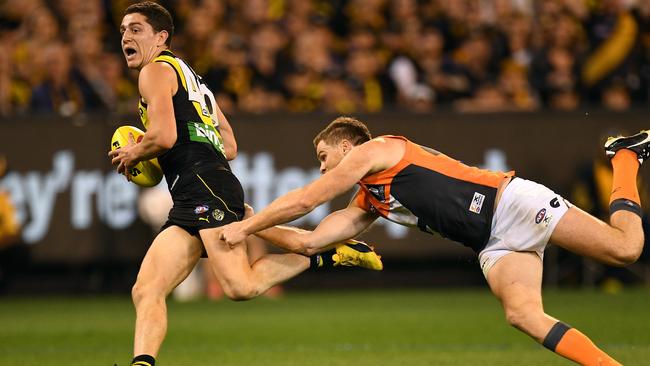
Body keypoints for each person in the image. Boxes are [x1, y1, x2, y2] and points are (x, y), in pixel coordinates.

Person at [221, 116, 649, 365]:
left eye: (323, 158)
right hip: (493, 243)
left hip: (511, 203)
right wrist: (251, 222)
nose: (322, 169)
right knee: (523, 315)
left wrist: (242, 229)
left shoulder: (379, 149)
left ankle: (625, 157)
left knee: (625, 249)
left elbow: (307, 199)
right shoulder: (368, 201)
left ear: (349, 146)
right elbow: (310, 243)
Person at [107, 4, 382, 366]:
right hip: (200, 184)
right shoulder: (192, 78)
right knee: (146, 289)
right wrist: (179, 148)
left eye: (137, 29)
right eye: (124, 29)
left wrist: (135, 153)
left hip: (202, 184)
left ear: (161, 38)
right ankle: (141, 363)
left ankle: (323, 256)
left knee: (240, 286)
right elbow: (230, 145)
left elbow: (165, 135)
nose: (127, 36)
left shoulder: (154, 71)